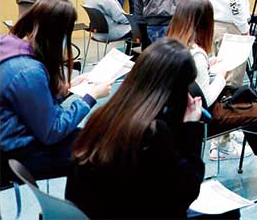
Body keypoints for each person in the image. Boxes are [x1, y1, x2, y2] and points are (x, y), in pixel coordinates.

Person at [65, 39, 205, 219]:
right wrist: (191, 128)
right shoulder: (153, 133)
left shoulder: (103, 115)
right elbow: (186, 193)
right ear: (174, 90)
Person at [166, 0, 257, 180]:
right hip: (205, 118)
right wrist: (222, 76)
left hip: (181, 116)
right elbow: (206, 99)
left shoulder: (173, 46)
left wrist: (208, 66)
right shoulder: (197, 55)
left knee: (248, 100)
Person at [1, 0, 112, 179]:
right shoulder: (29, 71)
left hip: (11, 135)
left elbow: (29, 100)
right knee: (96, 152)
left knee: (91, 139)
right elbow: (52, 131)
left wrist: (68, 89)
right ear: (56, 33)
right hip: (16, 153)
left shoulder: (9, 44)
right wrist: (90, 97)